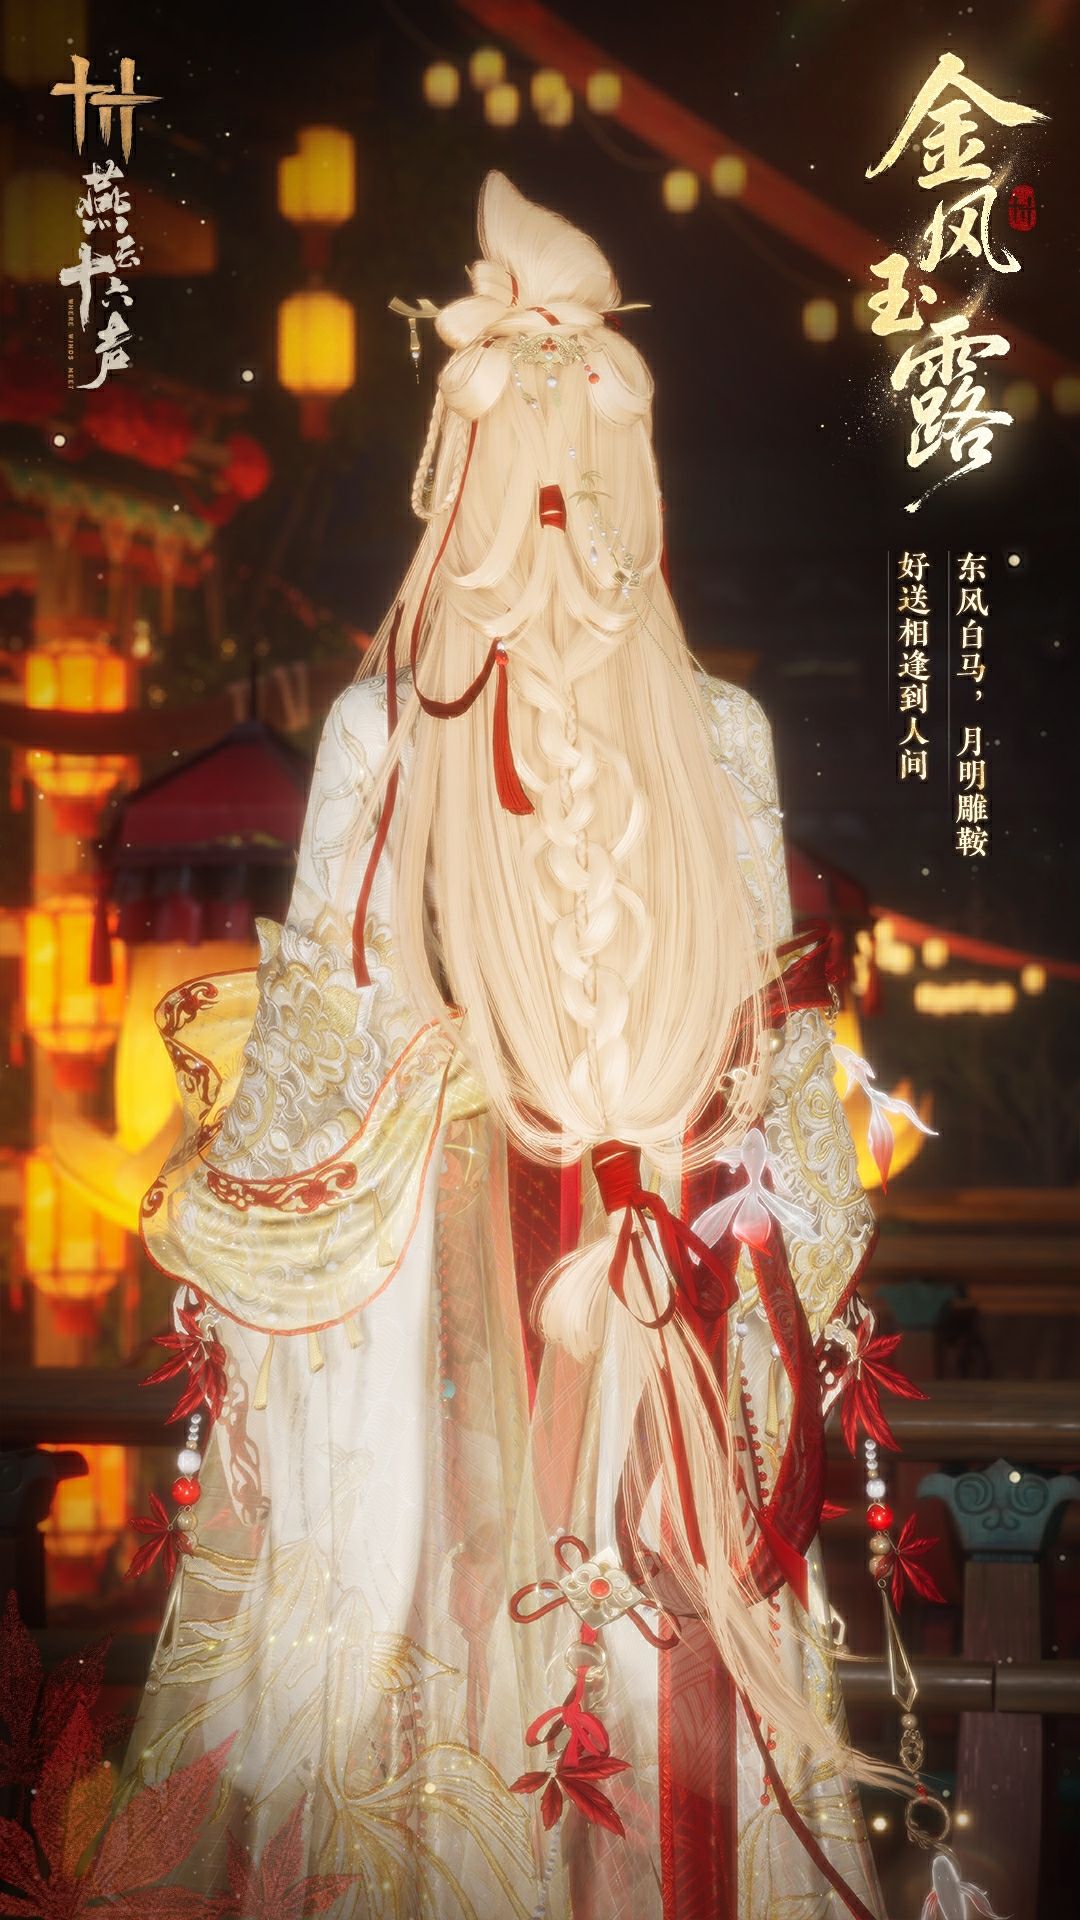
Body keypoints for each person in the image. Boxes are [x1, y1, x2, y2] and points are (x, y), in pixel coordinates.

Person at [119, 171, 895, 1919]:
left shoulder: (393, 725)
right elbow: (786, 1088)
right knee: (647, 1653)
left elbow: (313, 1059)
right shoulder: (711, 728)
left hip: (465, 1314)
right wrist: (773, 1256)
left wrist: (236, 1218)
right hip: (665, 1272)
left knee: (444, 1667)